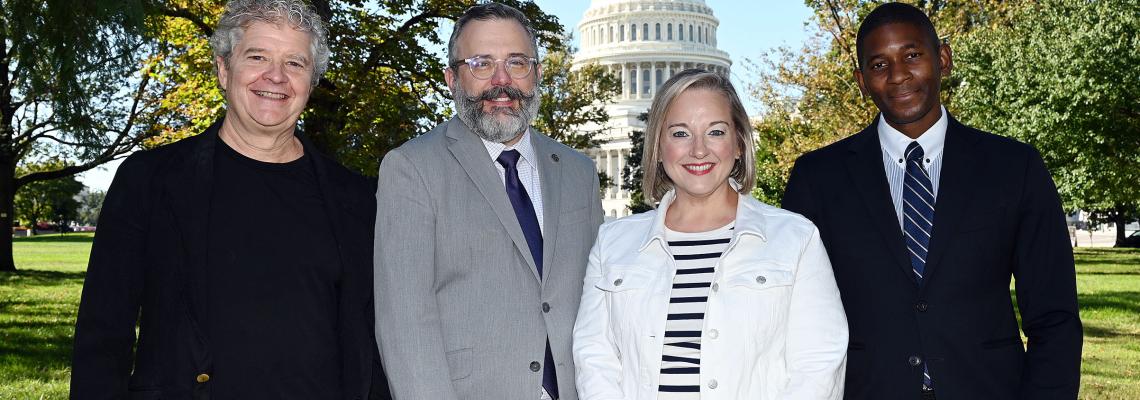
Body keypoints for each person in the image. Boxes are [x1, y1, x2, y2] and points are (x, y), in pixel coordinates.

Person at [70, 0, 390, 398]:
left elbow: (374, 341)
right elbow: (103, 334)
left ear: (312, 81)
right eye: (257, 56)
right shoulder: (151, 180)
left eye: (295, 63)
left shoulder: (358, 197)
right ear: (224, 69)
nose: (276, 77)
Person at [782, 3, 1083, 399]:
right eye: (878, 65)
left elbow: (1055, 317)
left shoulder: (1014, 167)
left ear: (943, 58)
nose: (899, 76)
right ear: (860, 80)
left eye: (912, 55)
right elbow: (793, 320)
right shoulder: (817, 178)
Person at [372, 3, 604, 400]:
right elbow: (405, 322)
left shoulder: (579, 172)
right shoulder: (411, 168)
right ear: (451, 78)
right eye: (481, 64)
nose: (502, 81)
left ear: (537, 74)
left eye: (517, 62)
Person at [573, 69, 849, 400]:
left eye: (715, 132)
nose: (699, 150)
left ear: (739, 144)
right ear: (659, 148)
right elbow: (595, 360)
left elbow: (818, 366)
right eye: (680, 134)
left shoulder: (795, 239)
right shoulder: (613, 244)